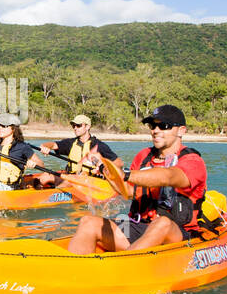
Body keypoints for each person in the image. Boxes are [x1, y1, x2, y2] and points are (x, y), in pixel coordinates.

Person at [67, 104, 208, 253]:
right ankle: (77, 270)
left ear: (181, 131)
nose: (156, 131)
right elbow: (128, 192)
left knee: (162, 223)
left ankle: (124, 266)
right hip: (138, 226)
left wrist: (126, 174)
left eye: (164, 126)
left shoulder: (192, 160)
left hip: (177, 233)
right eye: (153, 126)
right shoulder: (143, 156)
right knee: (88, 222)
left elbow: (169, 176)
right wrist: (106, 170)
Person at [31, 114, 121, 187]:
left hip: (90, 180)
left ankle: (54, 191)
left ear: (87, 126)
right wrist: (45, 146)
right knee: (44, 177)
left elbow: (118, 163)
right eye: (73, 126)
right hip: (71, 177)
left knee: (66, 183)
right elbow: (53, 144)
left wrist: (103, 169)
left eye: (78, 125)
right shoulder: (70, 143)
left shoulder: (99, 146)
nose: (75, 128)